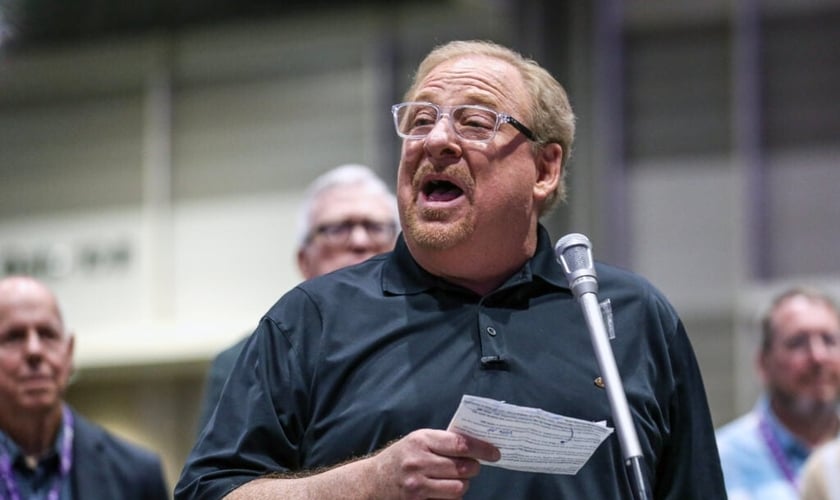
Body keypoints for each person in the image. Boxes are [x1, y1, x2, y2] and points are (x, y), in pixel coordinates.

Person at [175, 39, 725, 499]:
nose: (436, 140)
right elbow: (209, 493)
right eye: (419, 121)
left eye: (475, 121)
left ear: (545, 168)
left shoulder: (629, 315)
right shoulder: (313, 320)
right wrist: (368, 482)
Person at [197, 163, 400, 431]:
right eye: (338, 228)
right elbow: (220, 474)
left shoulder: (428, 344)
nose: (360, 241)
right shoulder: (249, 363)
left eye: (375, 227)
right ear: (304, 260)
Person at [0, 275, 169, 500]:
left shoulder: (136, 474)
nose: (34, 351)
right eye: (13, 337)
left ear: (69, 352)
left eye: (47, 334)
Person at [716, 287, 840, 499]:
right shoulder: (720, 460)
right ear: (763, 363)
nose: (818, 356)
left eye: (829, 340)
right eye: (798, 342)